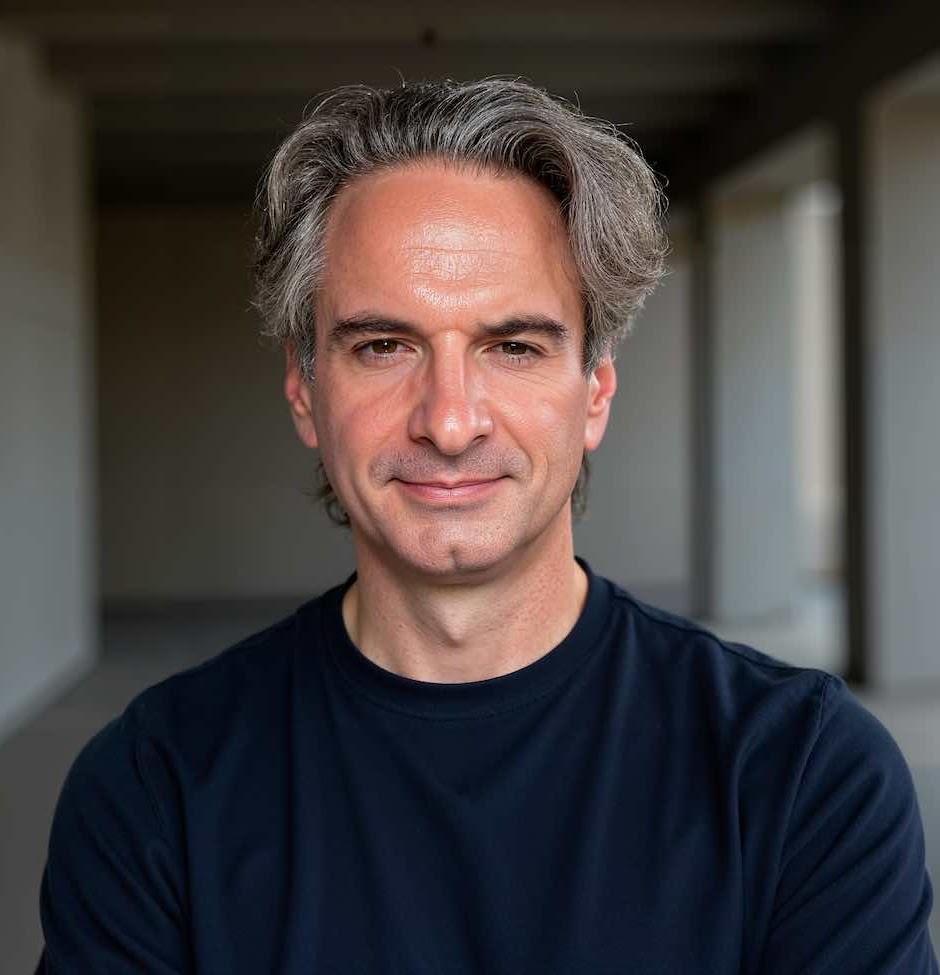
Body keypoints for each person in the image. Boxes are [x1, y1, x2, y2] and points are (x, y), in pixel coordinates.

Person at [38, 78, 936, 973]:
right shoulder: (154, 789)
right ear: (304, 389)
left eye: (513, 347)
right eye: (384, 345)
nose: (451, 419)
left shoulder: (800, 774)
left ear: (595, 392)